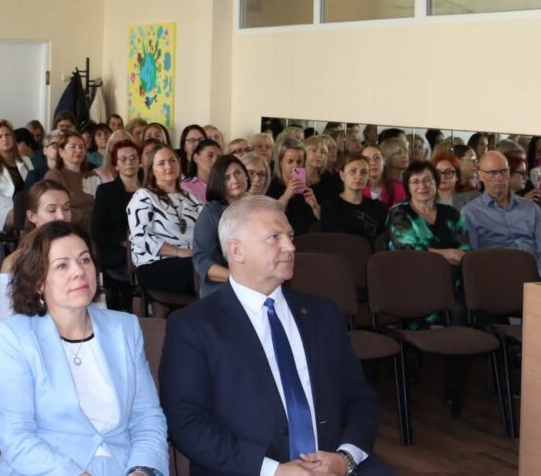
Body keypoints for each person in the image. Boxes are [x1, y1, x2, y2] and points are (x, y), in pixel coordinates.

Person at [160, 196, 389, 476]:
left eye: (291, 236)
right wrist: (273, 471)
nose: (291, 246)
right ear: (237, 251)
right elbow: (186, 422)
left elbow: (359, 397)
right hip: (246, 470)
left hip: (337, 466)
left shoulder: (322, 313)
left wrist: (345, 458)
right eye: (274, 237)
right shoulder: (193, 327)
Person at [0, 221, 169, 476]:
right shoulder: (13, 337)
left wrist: (141, 471)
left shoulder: (125, 329)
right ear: (39, 282)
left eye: (85, 260)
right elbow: (14, 435)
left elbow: (147, 417)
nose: (79, 271)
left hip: (122, 468)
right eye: (62, 265)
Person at [462, 150, 541, 280]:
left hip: (534, 277)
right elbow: (471, 259)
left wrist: (540, 277)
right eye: (492, 173)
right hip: (496, 280)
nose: (499, 178)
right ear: (480, 175)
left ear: (509, 172)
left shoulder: (531, 209)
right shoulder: (470, 213)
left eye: (503, 171)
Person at [127, 143, 200, 296]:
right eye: (161, 163)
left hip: (191, 259)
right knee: (204, 271)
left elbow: (206, 228)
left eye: (172, 160)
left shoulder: (190, 196)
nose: (169, 166)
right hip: (155, 264)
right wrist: (179, 252)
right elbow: (140, 237)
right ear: (151, 170)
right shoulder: (143, 196)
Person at [0, 181, 74, 321]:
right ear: (32, 216)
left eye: (67, 209)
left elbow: (98, 306)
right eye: (52, 210)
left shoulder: (82, 254)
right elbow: (4, 319)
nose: (62, 216)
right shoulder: (13, 263)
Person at [386, 161, 471, 267]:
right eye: (415, 182)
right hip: (413, 275)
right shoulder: (399, 213)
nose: (422, 186)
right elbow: (407, 251)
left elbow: (465, 250)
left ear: (436, 182)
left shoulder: (451, 213)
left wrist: (432, 253)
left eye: (427, 180)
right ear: (408, 187)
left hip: (452, 277)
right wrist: (450, 253)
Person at [92, 140, 142, 312]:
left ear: (140, 161)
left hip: (148, 249)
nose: (129, 162)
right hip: (118, 250)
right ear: (116, 165)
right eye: (123, 159)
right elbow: (98, 231)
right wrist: (125, 242)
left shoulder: (150, 190)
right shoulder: (106, 191)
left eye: (133, 157)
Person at [192, 155, 251, 299]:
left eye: (238, 173)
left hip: (259, 278)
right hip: (223, 282)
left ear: (246, 176)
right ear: (219, 183)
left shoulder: (259, 205)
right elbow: (202, 261)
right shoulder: (211, 213)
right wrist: (240, 280)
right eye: (227, 177)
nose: (235, 180)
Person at [0, 121, 32, 250]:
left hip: (25, 209)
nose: (4, 139)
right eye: (0, 136)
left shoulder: (26, 160)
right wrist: (21, 209)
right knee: (28, 218)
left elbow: (33, 187)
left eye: (7, 135)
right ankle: (22, 252)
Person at [319, 153, 388, 242]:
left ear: (368, 177)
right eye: (353, 171)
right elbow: (332, 241)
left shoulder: (379, 208)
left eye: (363, 172)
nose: (358, 176)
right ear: (342, 175)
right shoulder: (330, 205)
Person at [45, 130, 99, 225]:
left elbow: (100, 203)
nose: (78, 150)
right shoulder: (54, 175)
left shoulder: (92, 175)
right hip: (70, 226)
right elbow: (55, 208)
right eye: (73, 147)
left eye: (81, 147)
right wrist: (85, 220)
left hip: (96, 225)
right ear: (61, 152)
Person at [266, 139, 320, 235]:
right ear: (280, 162)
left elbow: (322, 221)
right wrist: (287, 195)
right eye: (290, 161)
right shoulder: (271, 186)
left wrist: (315, 207)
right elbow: (271, 219)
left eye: (299, 162)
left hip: (308, 239)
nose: (295, 166)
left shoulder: (308, 187)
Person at [180, 139, 222, 204]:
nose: (215, 161)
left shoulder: (225, 184)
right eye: (210, 156)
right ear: (196, 158)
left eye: (219, 158)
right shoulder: (185, 186)